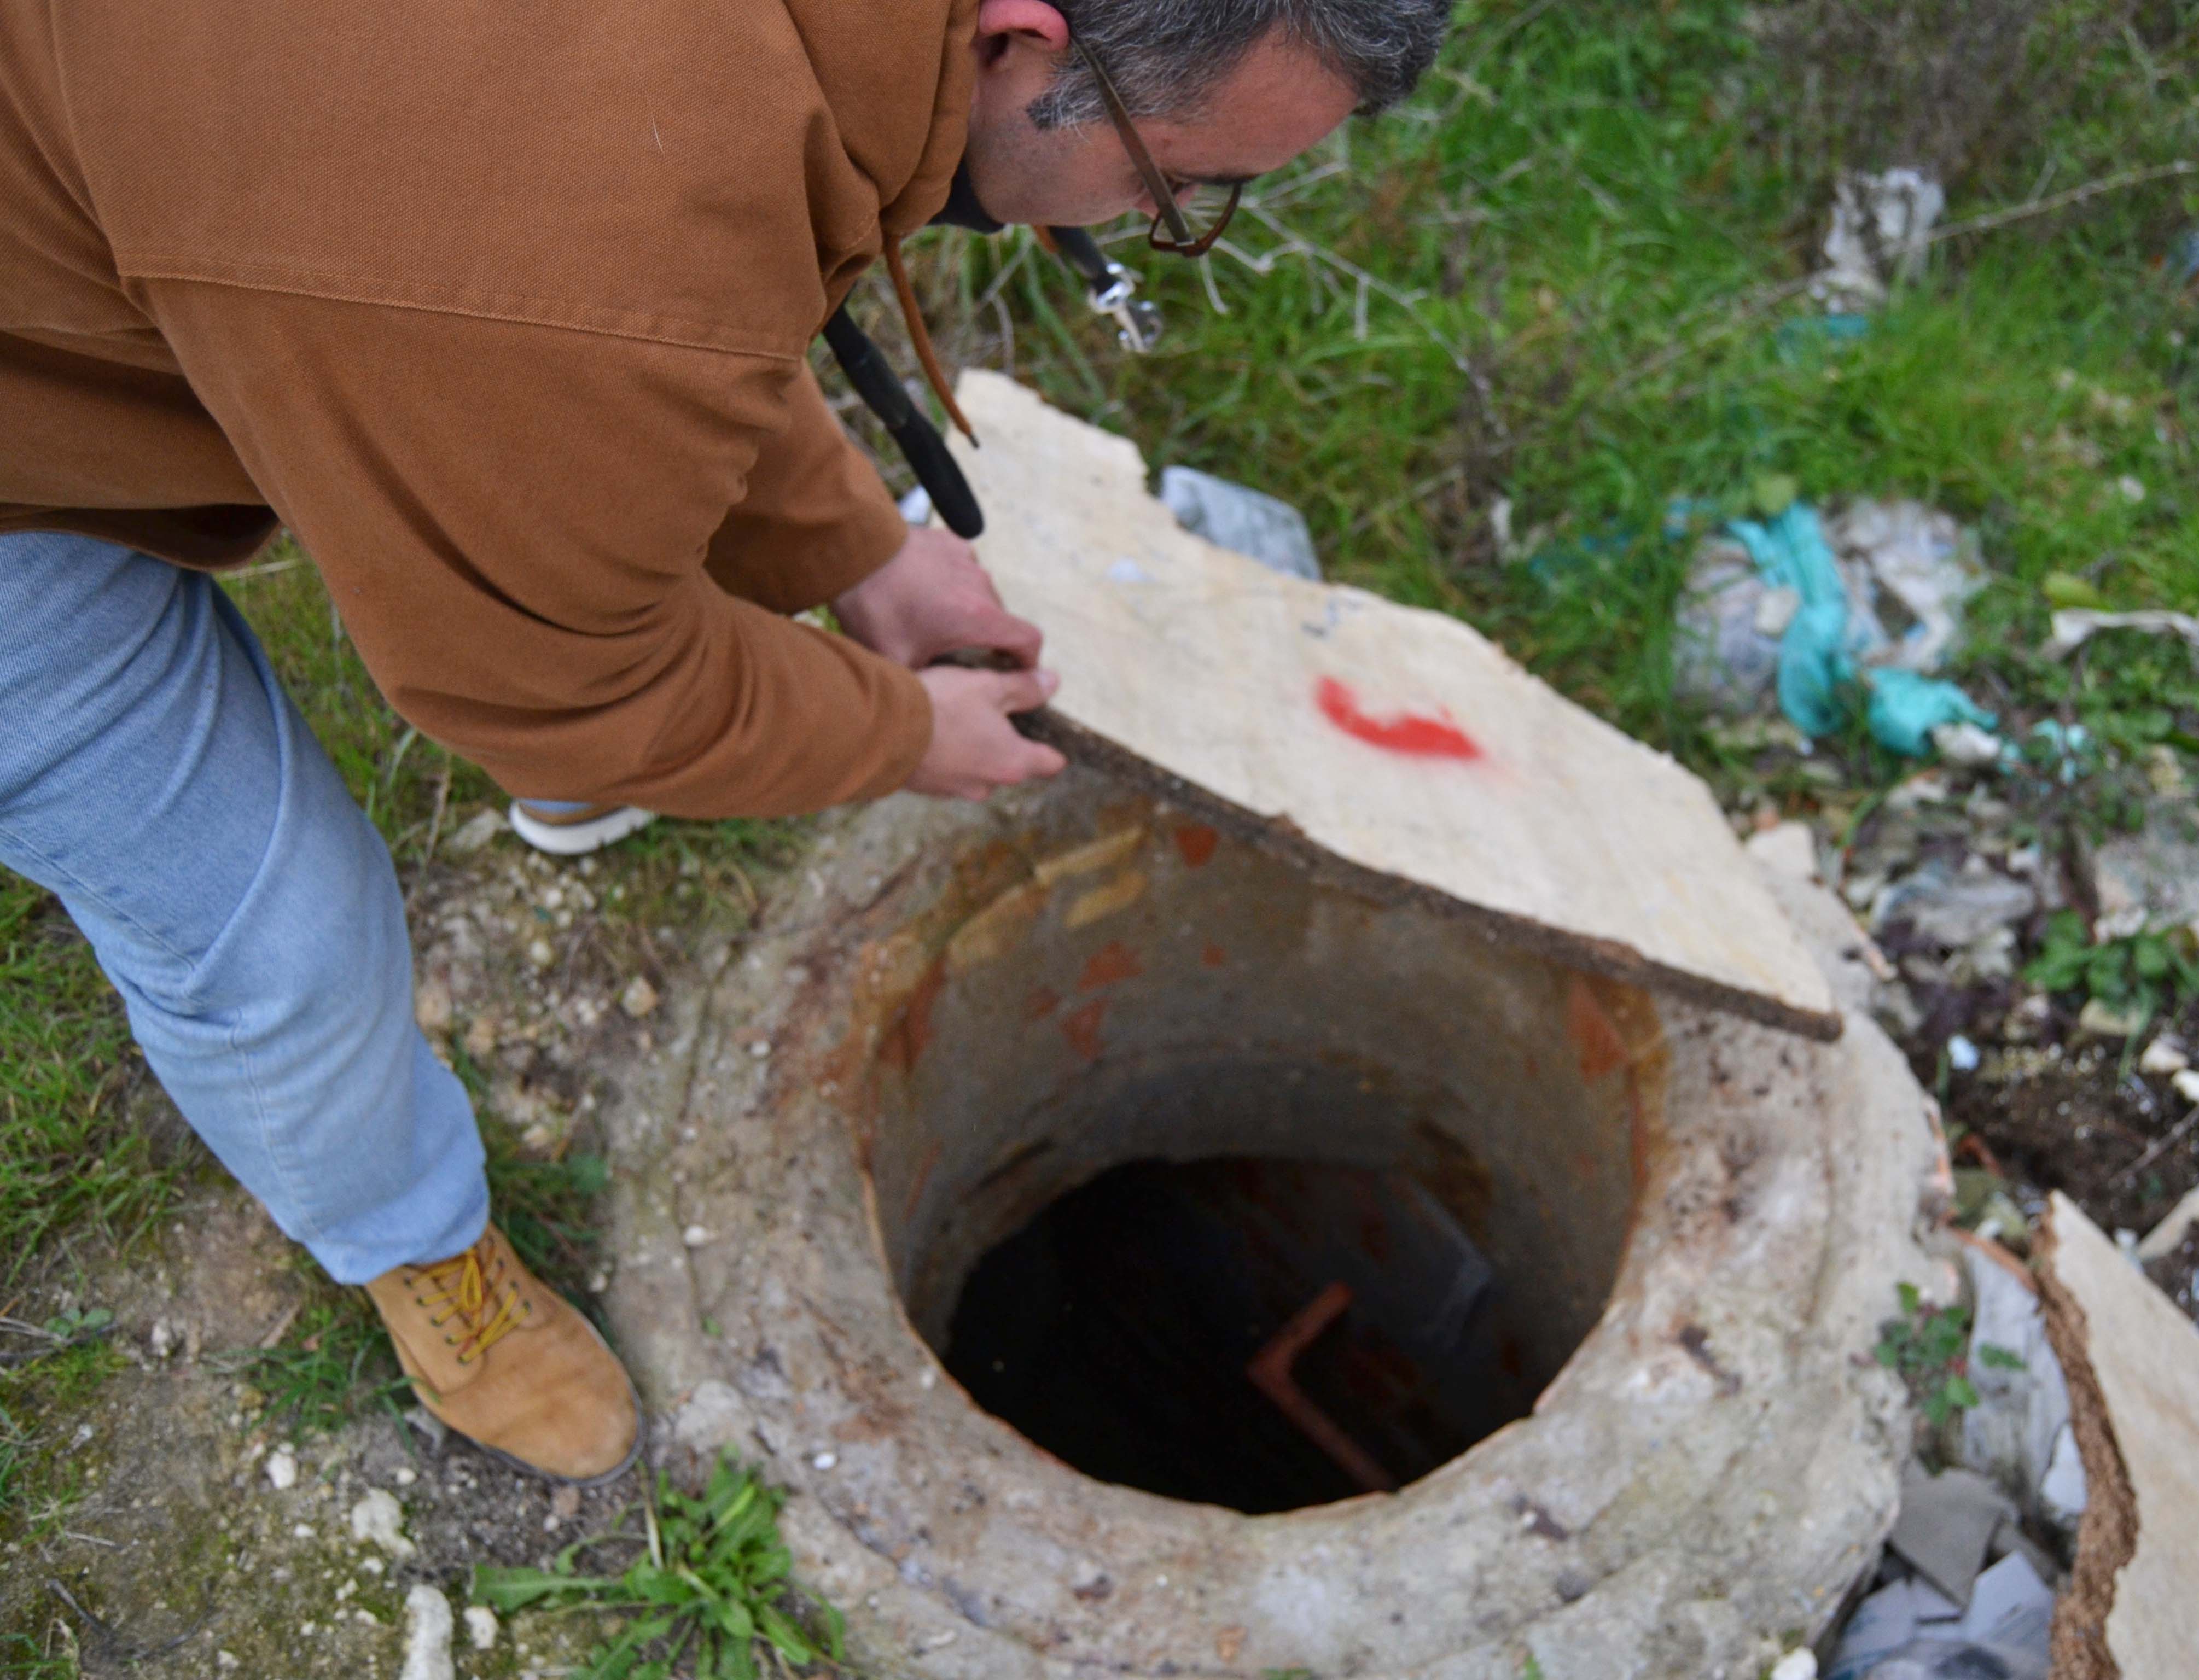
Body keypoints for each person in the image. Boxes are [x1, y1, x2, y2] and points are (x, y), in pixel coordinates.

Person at [0, 0, 1450, 1482]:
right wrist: (896, 731)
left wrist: (848, 547)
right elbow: (550, 685)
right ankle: (413, 1245)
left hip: (174, 204)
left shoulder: (788, 68)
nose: (1164, 220)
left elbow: (682, 270)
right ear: (1023, 41)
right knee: (273, 924)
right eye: (1175, 186)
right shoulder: (564, 272)